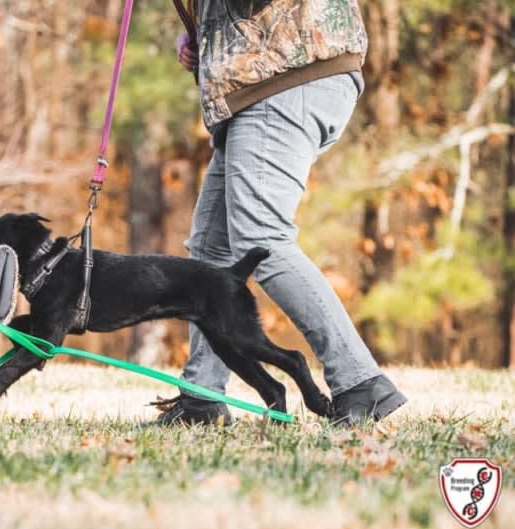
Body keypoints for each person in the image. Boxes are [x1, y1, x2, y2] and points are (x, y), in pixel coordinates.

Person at [156, 0, 406, 426]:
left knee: (262, 239)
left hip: (289, 76)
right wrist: (204, 34)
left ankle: (361, 384)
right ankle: (201, 400)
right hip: (255, 82)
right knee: (212, 251)